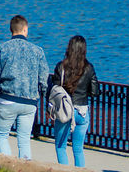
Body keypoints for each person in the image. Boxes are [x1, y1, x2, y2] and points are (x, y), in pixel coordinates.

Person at [0, 15, 49, 160]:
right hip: (30, 102)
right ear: (25, 29)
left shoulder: (1, 49)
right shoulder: (38, 51)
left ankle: (9, 166)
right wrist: (44, 98)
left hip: (8, 99)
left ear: (11, 30)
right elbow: (44, 79)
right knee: (24, 139)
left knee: (2, 135)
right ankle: (26, 166)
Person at [48, 35, 99, 167]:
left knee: (61, 147)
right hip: (82, 111)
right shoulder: (89, 68)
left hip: (65, 110)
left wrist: (48, 109)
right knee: (78, 149)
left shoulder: (61, 66)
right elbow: (94, 92)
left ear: (69, 48)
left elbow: (54, 90)